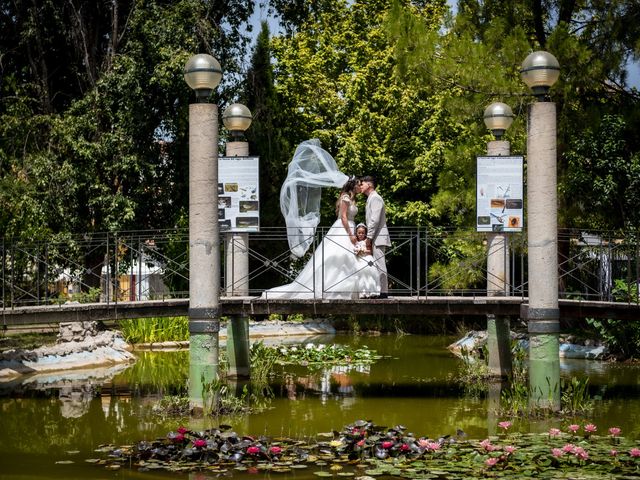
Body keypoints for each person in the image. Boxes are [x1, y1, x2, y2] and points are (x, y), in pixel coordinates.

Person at [262, 176, 361, 299]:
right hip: (344, 228)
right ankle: (335, 289)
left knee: (345, 258)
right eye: (358, 184)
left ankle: (345, 289)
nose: (359, 187)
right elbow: (344, 217)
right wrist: (350, 234)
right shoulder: (345, 198)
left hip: (349, 226)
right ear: (353, 186)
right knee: (341, 257)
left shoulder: (350, 198)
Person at [358, 175, 391, 298]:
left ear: (369, 184)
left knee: (380, 264)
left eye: (362, 184)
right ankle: (378, 290)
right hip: (375, 237)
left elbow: (374, 220)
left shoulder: (375, 198)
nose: (360, 186)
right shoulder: (371, 198)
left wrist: (369, 237)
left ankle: (383, 292)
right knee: (375, 264)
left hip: (378, 237)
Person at [353, 223, 381, 298]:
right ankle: (363, 293)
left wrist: (363, 250)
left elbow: (370, 251)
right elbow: (354, 251)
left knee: (370, 272)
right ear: (356, 233)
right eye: (359, 233)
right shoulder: (355, 242)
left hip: (367, 258)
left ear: (365, 233)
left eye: (363, 233)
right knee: (360, 274)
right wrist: (357, 252)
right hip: (359, 260)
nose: (361, 234)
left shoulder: (366, 241)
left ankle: (372, 292)